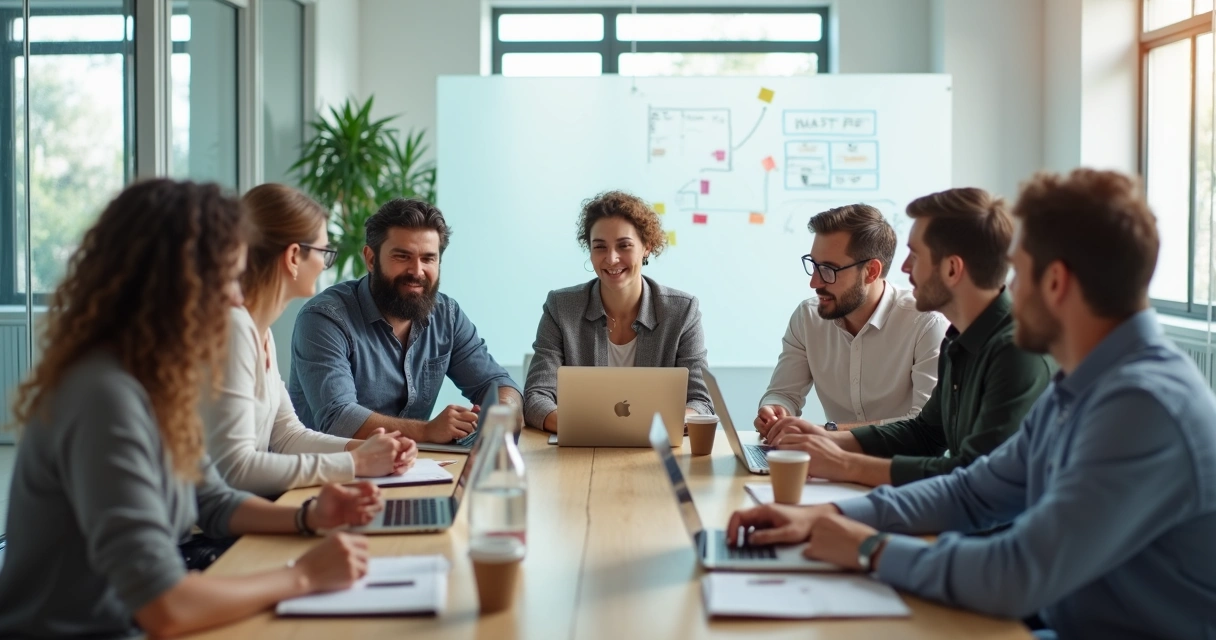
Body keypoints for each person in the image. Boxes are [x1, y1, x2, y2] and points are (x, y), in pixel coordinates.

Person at [728, 169, 1216, 639]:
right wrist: (822, 515)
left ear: (1055, 283)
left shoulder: (1142, 406)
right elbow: (972, 491)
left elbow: (1017, 573)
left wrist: (869, 548)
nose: (1005, 289)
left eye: (1017, 273)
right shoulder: (1083, 385)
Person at [0, 179, 383, 639]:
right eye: (226, 279)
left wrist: (309, 515)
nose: (237, 298)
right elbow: (165, 607)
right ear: (173, 283)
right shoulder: (103, 395)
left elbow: (214, 500)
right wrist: (304, 576)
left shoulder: (155, 380)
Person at [766, 189, 1054, 487]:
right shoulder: (959, 340)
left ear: (952, 269)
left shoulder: (1017, 350)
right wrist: (826, 440)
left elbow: (977, 480)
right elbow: (925, 434)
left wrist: (843, 463)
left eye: (915, 256)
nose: (903, 267)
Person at [199, 183, 417, 497]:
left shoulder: (261, 332)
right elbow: (235, 468)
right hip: (208, 534)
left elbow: (287, 435)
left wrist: (372, 448)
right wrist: (355, 462)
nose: (324, 264)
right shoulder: (234, 329)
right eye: (324, 252)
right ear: (292, 257)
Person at [289, 198, 522, 442]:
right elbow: (338, 418)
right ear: (370, 259)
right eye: (402, 256)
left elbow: (497, 382)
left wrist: (501, 412)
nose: (417, 271)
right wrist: (426, 431)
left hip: (411, 470)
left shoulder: (447, 315)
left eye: (428, 258)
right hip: (327, 473)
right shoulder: (324, 318)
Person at [523, 191, 712, 432]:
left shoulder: (682, 311)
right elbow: (536, 397)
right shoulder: (560, 308)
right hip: (581, 447)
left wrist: (655, 427)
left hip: (656, 450)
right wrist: (585, 428)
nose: (611, 259)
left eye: (624, 246)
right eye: (600, 247)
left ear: (647, 247)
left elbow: (700, 401)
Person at [754, 204, 948, 435]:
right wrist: (775, 410)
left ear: (871, 271)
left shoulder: (926, 324)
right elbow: (784, 393)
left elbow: (925, 427)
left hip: (902, 466)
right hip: (832, 463)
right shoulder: (808, 317)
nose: (814, 283)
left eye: (828, 269)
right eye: (813, 265)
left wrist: (829, 433)